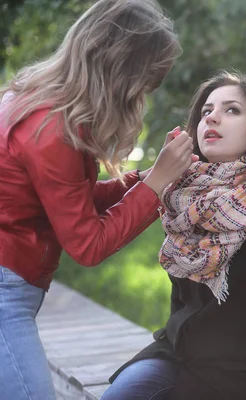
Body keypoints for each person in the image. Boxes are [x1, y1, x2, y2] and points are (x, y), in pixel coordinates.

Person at [0, 1, 196, 399]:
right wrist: (155, 186)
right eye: (144, 84)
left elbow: (69, 200)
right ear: (120, 72)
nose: (142, 97)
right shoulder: (51, 131)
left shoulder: (42, 103)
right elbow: (87, 245)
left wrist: (142, 181)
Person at [102, 71, 246, 400]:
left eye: (231, 110)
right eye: (206, 112)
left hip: (241, 377)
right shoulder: (187, 202)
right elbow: (182, 305)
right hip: (177, 358)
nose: (213, 118)